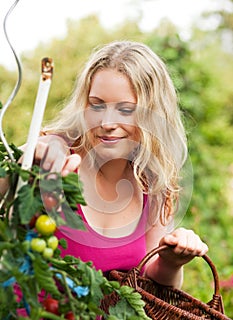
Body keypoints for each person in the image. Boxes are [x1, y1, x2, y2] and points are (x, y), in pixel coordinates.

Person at [3, 40, 208, 288]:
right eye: (97, 105)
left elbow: (157, 291)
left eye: (125, 109)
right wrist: (16, 164)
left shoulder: (154, 185)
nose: (107, 122)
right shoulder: (55, 156)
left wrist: (171, 262)